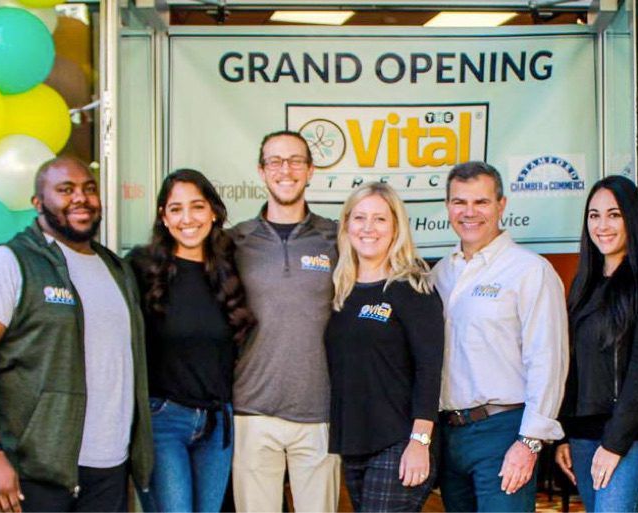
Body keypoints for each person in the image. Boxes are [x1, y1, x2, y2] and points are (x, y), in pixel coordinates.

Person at [0, 156, 153, 513]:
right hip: (36, 470)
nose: (81, 198)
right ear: (38, 202)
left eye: (89, 189)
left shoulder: (117, 270)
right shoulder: (8, 263)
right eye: (65, 190)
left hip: (109, 466)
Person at [432, 161, 569, 512]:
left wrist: (530, 442)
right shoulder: (440, 274)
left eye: (481, 202)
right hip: (450, 434)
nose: (469, 212)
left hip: (504, 430)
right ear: (447, 206)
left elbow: (548, 360)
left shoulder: (529, 271)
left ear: (501, 205)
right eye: (459, 202)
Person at [126, 169, 255, 512]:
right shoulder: (140, 268)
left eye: (197, 207)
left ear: (213, 211)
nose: (187, 219)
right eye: (176, 209)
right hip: (163, 421)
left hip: (217, 425)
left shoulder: (232, 267)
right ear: (163, 217)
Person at [228, 130, 341, 512]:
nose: (285, 170)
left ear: (310, 170)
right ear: (261, 172)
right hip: (252, 409)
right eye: (275, 161)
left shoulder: (338, 238)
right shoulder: (233, 241)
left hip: (321, 410)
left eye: (295, 161)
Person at [324, 183, 445, 512]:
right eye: (359, 217)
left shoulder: (412, 287)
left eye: (379, 219)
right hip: (354, 441)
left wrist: (420, 442)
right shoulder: (340, 290)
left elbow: (429, 370)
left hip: (399, 442)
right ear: (346, 224)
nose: (368, 228)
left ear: (396, 227)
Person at [554, 175, 638, 512]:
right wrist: (564, 433)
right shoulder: (585, 282)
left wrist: (615, 443)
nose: (602, 225)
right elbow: (574, 366)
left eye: (614, 214)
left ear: (632, 219)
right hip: (583, 434)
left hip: (628, 435)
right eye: (594, 215)